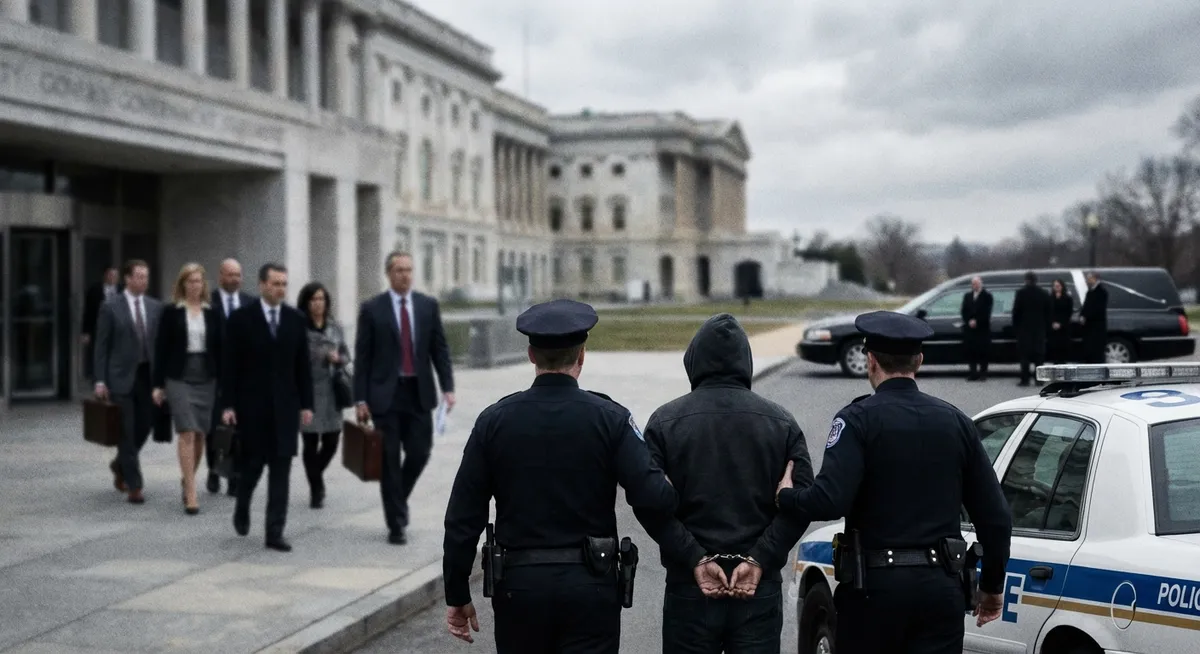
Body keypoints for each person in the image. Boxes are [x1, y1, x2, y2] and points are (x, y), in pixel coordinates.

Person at [442, 299, 678, 653]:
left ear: (531, 355)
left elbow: (463, 516)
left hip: (518, 588)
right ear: (581, 356)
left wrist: (458, 592)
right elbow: (654, 498)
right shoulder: (611, 419)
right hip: (591, 587)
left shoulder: (494, 421)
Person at [775, 311, 1012, 654]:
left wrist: (787, 496)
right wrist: (991, 586)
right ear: (919, 360)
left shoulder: (856, 421)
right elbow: (996, 517)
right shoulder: (957, 422)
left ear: (870, 361)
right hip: (940, 590)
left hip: (875, 592)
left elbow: (830, 500)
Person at [632, 313, 813, 653]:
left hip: (690, 584)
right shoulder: (782, 422)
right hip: (758, 585)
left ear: (694, 361)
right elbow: (800, 504)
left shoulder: (664, 422)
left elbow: (648, 503)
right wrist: (760, 558)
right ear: (745, 362)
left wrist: (695, 557)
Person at [354, 251, 455, 545]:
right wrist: (360, 399)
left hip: (418, 393)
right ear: (389, 273)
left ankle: (396, 498)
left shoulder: (427, 306)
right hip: (385, 395)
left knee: (419, 453)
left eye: (409, 270)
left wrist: (448, 387)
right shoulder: (372, 309)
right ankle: (396, 523)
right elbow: (363, 357)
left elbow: (440, 350)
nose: (405, 275)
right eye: (399, 270)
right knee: (388, 460)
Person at [221, 263, 314, 552]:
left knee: (281, 470)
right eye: (275, 283)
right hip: (252, 409)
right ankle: (242, 504)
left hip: (286, 409)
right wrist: (228, 404)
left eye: (284, 284)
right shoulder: (241, 319)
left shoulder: (296, 320)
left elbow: (303, 367)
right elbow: (229, 367)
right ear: (262, 285)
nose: (280, 289)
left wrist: (307, 405)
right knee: (252, 466)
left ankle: (275, 531)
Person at [152, 263, 222, 515]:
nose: (195, 286)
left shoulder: (212, 312)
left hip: (206, 376)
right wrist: (157, 384)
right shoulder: (171, 312)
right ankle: (191, 494)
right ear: (182, 284)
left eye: (199, 281)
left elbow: (222, 349)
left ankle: (187, 478)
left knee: (201, 434)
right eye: (190, 281)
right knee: (187, 432)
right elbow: (160, 349)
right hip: (178, 376)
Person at [93, 260, 163, 504]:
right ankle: (135, 485)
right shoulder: (110, 307)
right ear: (127, 278)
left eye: (147, 276)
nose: (144, 281)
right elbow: (101, 346)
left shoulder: (156, 307)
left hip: (147, 376)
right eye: (140, 276)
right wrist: (100, 379)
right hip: (120, 377)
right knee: (126, 429)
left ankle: (121, 462)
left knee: (145, 424)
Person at [297, 281, 351, 509]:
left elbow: (347, 356)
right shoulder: (299, 327)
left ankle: (315, 474)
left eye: (321, 299)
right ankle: (316, 489)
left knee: (332, 439)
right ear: (306, 303)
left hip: (331, 389)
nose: (318, 304)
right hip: (308, 389)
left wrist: (338, 360)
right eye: (313, 299)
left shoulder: (335, 327)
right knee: (310, 441)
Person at [207, 258, 256, 496]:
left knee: (240, 427)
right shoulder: (209, 302)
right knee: (216, 427)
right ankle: (214, 470)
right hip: (215, 375)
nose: (235, 279)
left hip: (244, 376)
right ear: (220, 276)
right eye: (230, 275)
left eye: (238, 275)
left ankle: (235, 476)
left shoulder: (250, 303)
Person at [1012, 271, 1051, 386]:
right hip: (1039, 329)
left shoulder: (1021, 293)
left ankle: (1025, 379)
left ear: (1026, 280)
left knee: (1025, 356)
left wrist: (1016, 327)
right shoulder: (1043, 293)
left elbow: (1016, 312)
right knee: (1039, 356)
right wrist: (1046, 327)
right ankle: (1039, 379)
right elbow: (1048, 312)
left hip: (1024, 329)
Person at [82, 267, 119, 381]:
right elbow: (88, 312)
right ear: (105, 276)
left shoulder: (122, 290)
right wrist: (85, 331)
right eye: (110, 275)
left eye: (115, 276)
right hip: (97, 328)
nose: (113, 278)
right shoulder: (95, 290)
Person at [960, 276, 993, 381]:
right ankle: (973, 373)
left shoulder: (987, 296)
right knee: (971, 351)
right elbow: (964, 311)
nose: (975, 285)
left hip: (982, 328)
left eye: (977, 283)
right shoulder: (967, 296)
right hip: (970, 329)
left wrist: (977, 321)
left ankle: (983, 373)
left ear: (981, 284)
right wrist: (969, 320)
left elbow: (987, 312)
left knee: (983, 352)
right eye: (973, 284)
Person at [1080, 271, 1109, 363]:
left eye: (1089, 278)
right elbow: (1085, 306)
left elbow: (1098, 309)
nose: (1087, 280)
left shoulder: (1102, 292)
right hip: (1089, 326)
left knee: (1097, 350)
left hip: (1097, 326)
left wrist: (1086, 316)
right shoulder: (1090, 292)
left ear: (1095, 279)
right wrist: (1082, 315)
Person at [1048, 279, 1074, 364]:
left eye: (1058, 286)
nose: (1056, 288)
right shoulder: (1050, 298)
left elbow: (1068, 313)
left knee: (1063, 349)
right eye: (1055, 286)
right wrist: (1052, 322)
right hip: (1053, 328)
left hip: (1064, 328)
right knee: (1054, 349)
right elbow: (1048, 312)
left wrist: (1061, 323)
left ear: (1062, 287)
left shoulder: (1067, 298)